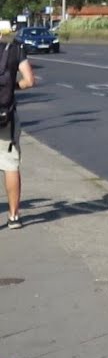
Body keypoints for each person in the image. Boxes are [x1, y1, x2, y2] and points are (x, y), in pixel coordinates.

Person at [1, 37, 36, 229]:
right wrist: (13, 87)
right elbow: (29, 81)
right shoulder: (14, 50)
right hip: (6, 117)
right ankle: (14, 216)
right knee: (10, 166)